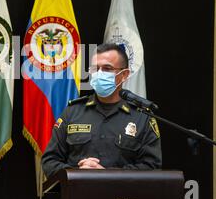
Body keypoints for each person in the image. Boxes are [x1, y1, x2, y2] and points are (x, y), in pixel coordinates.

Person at [42, 43, 162, 178]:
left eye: (107, 68)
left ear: (124, 74)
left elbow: (151, 166)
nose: (99, 74)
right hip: (78, 196)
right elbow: (49, 162)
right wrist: (77, 172)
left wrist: (106, 175)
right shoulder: (72, 112)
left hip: (122, 197)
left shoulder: (142, 116)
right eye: (95, 69)